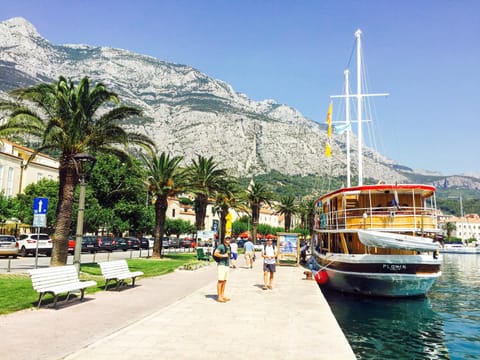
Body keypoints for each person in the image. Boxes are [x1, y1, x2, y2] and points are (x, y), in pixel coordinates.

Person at [214, 236, 231, 302]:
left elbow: (228, 255)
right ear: (224, 239)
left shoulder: (229, 247)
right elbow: (216, 253)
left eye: (229, 239)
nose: (228, 240)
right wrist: (223, 255)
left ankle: (222, 295)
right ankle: (219, 297)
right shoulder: (221, 246)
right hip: (221, 265)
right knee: (220, 280)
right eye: (227, 239)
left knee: (224, 281)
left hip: (227, 265)